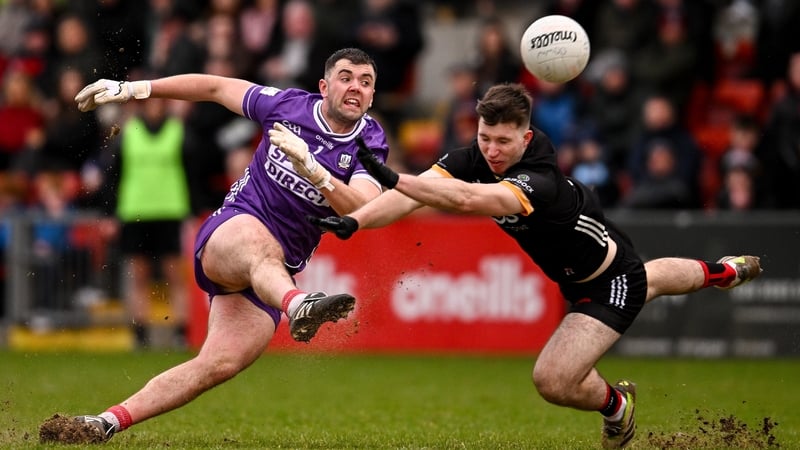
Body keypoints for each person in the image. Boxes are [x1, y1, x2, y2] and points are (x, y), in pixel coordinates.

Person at [310, 83, 762, 449]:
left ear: (525, 138)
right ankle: (723, 272)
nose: (491, 150)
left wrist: (396, 177)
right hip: (592, 263)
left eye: (503, 141)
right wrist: (356, 220)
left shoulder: (539, 178)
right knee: (655, 278)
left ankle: (616, 405)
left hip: (607, 284)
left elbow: (469, 199)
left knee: (553, 380)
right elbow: (406, 199)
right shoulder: (477, 154)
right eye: (484, 138)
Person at [40, 47, 388, 444]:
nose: (355, 87)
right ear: (325, 86)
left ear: (373, 95)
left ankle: (104, 422)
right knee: (261, 245)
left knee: (217, 364)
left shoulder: (370, 141)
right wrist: (133, 89)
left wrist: (317, 173)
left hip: (272, 275)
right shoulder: (288, 106)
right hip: (230, 235)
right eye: (346, 77)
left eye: (365, 82)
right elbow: (214, 86)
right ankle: (298, 306)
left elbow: (362, 208)